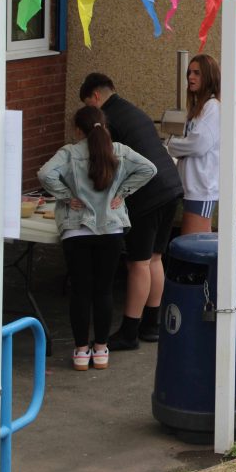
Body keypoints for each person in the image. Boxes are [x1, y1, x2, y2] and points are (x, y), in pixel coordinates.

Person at [38, 106, 156, 371]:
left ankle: (81, 351)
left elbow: (45, 174)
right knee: (103, 291)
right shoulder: (120, 151)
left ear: (78, 130)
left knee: (80, 291)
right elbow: (149, 169)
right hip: (111, 230)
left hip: (76, 230)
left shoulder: (69, 152)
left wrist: (67, 196)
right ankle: (101, 349)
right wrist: (123, 192)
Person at [79, 73, 184, 350]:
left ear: (97, 97)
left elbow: (105, 165)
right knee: (155, 258)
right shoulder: (133, 111)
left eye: (88, 104)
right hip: (171, 186)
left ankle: (129, 331)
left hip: (147, 194)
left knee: (137, 262)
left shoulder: (106, 120)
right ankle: (152, 325)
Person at [167, 54, 220, 235]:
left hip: (202, 188)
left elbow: (198, 144)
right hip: (193, 187)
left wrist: (171, 145)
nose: (190, 77)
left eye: (197, 73)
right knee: (192, 243)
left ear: (209, 76)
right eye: (189, 72)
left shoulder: (212, 106)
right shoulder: (201, 106)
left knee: (193, 244)